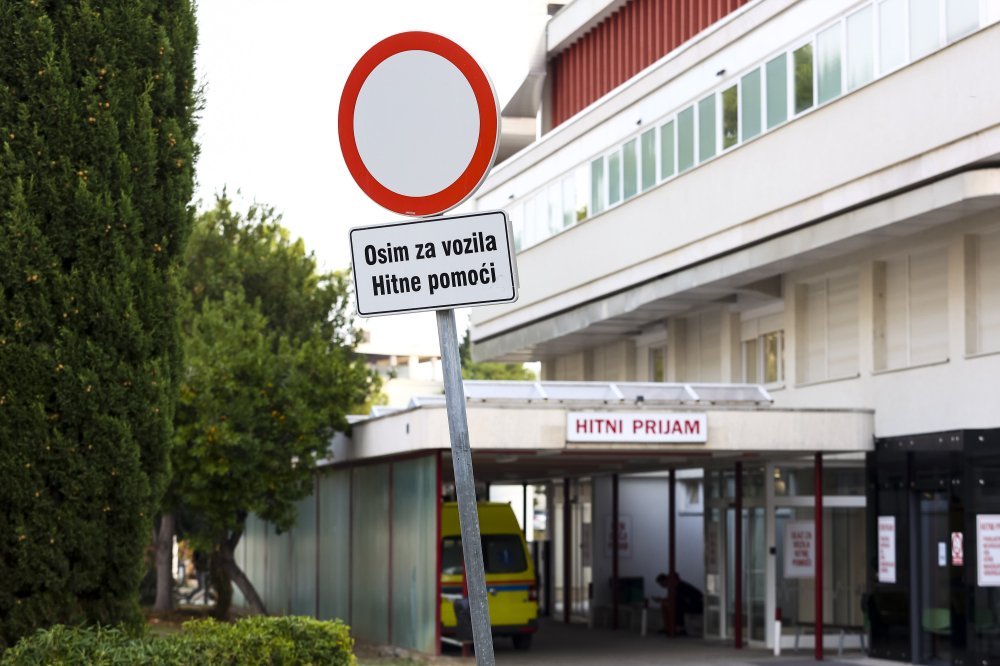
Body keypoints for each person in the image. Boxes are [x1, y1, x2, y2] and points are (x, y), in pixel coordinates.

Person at [655, 572, 703, 636]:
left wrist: (664, 601)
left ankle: (678, 628)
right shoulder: (676, 587)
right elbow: (672, 599)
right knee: (667, 605)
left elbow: (677, 600)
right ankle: (669, 627)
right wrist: (662, 600)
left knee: (674, 606)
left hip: (697, 607)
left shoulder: (681, 587)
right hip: (692, 605)